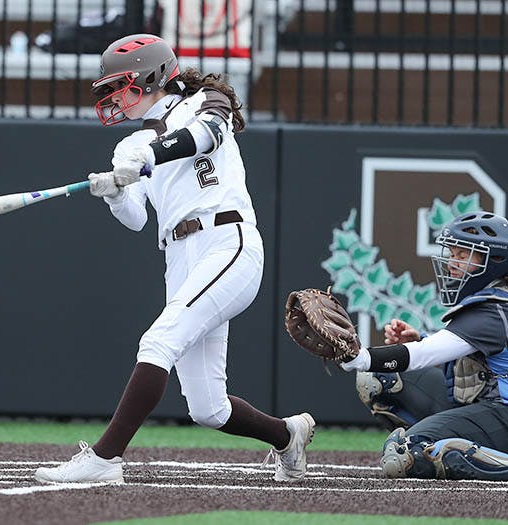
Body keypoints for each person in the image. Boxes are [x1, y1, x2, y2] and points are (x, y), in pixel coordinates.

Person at [33, 34, 314, 484]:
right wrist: (114, 192)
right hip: (179, 254)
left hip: (228, 241)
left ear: (152, 75)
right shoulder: (129, 145)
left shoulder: (208, 98)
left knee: (158, 341)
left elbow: (206, 135)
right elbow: (136, 219)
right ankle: (288, 435)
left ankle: (104, 460)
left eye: (120, 85)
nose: (113, 97)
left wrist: (147, 156)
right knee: (208, 408)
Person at [340, 212, 508, 482]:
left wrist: (358, 357)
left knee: (405, 453)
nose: (452, 262)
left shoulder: (492, 311)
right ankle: (455, 443)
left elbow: (423, 355)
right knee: (378, 378)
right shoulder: (493, 300)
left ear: (493, 261)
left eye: (463, 255)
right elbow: (474, 363)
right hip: (485, 405)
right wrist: (418, 337)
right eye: (452, 253)